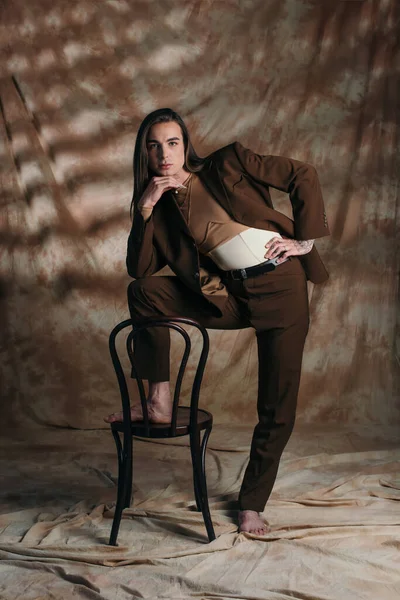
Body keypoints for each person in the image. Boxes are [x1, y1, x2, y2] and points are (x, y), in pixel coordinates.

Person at [105, 108, 330, 536]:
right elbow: (140, 268)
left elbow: (304, 173)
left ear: (186, 146)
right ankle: (159, 399)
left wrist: (304, 239)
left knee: (277, 406)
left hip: (280, 290)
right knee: (144, 293)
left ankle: (251, 503)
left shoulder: (230, 162)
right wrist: (145, 210)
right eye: (154, 146)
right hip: (228, 296)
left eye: (172, 143)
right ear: (145, 155)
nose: (165, 154)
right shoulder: (162, 207)